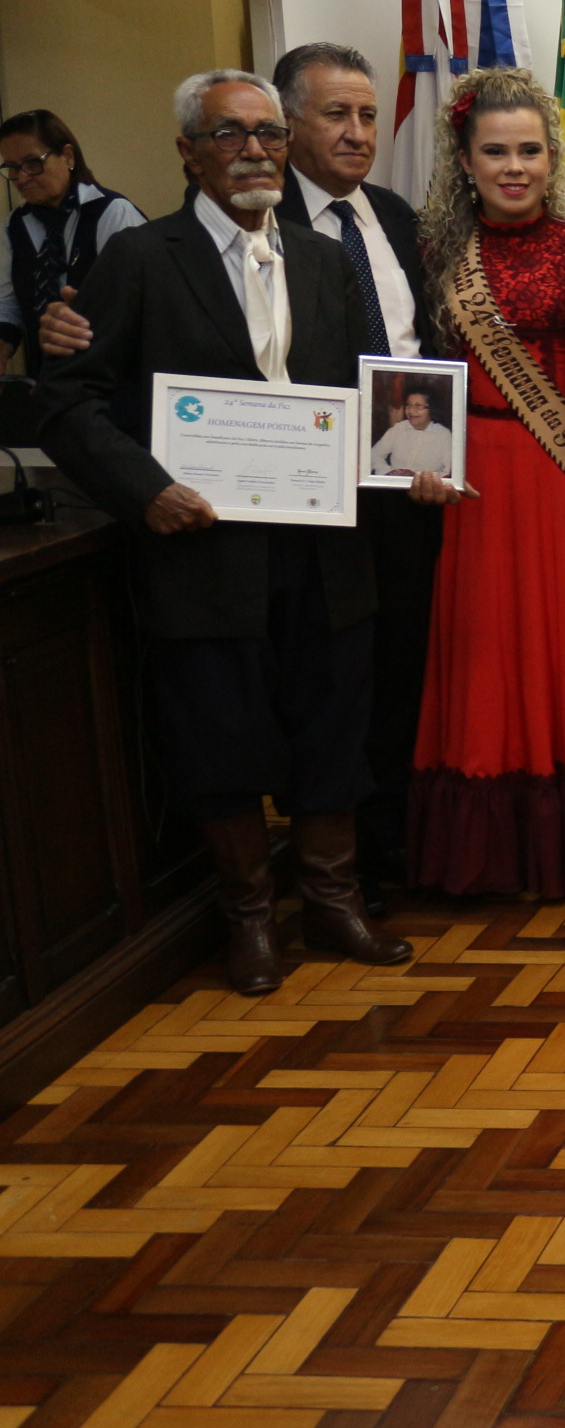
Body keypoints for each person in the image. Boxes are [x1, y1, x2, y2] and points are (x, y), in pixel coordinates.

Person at [33, 70, 413, 994]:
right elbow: (68, 405)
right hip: (204, 552)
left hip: (326, 550)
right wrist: (147, 490)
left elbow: (367, 398)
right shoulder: (138, 260)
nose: (255, 151)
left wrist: (413, 456)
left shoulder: (323, 258)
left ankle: (332, 902)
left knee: (334, 730)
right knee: (221, 735)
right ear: (188, 152)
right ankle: (249, 920)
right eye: (231, 134)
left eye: (270, 134)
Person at [404, 68, 565, 902]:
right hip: (473, 482)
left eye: (530, 151)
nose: (514, 167)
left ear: (553, 158)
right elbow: (413, 372)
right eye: (494, 151)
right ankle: (485, 861)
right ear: (464, 160)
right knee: (485, 650)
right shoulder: (432, 255)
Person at [274, 43, 439, 904]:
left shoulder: (395, 216)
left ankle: (395, 846)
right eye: (335, 114)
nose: (357, 132)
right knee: (336, 683)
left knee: (406, 668)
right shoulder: (262, 227)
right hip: (317, 500)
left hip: (410, 493)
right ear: (287, 123)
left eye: (368, 115)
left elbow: (423, 351)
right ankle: (338, 872)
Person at [0, 110, 143, 364]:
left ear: (67, 156)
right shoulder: (15, 225)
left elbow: (140, 309)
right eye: (11, 168)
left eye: (33, 163)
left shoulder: (111, 213)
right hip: (45, 381)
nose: (21, 178)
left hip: (107, 380)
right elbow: (8, 305)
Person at [369, 389, 454, 476]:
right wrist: (389, 472)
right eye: (408, 405)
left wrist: (421, 479)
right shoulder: (398, 429)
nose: (410, 411)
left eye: (418, 406)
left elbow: (448, 472)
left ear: (431, 409)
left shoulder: (444, 435)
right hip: (393, 485)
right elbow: (374, 454)